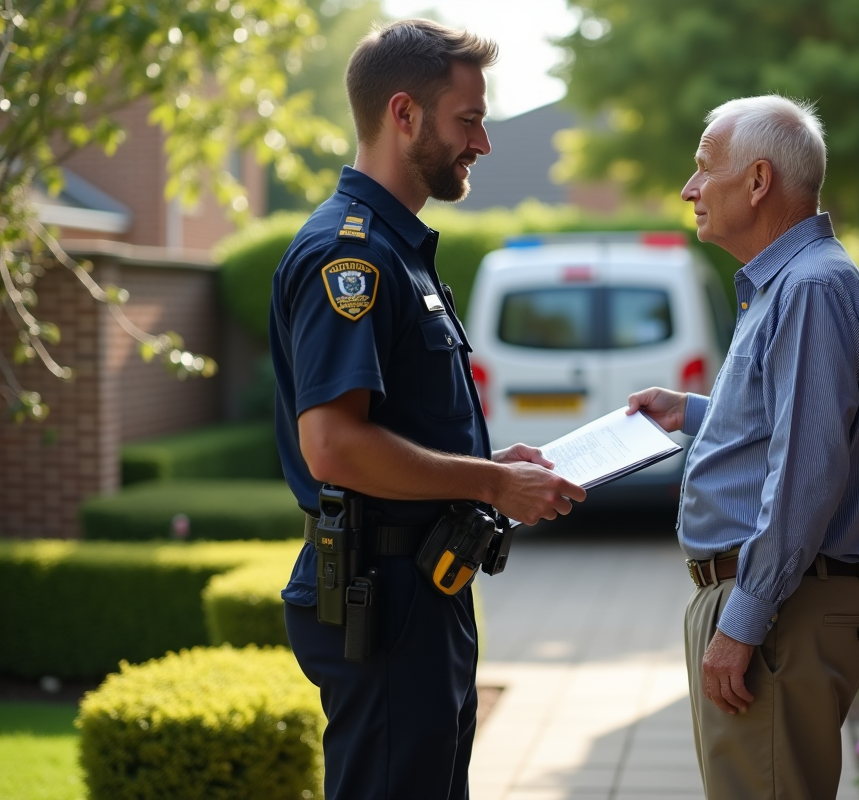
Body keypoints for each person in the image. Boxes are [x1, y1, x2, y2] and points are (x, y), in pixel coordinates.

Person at [269, 19, 586, 800]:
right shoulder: (352, 256)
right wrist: (490, 483)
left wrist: (489, 466)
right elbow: (333, 446)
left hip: (422, 583)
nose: (482, 143)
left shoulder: (396, 249)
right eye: (468, 120)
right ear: (404, 114)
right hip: (385, 593)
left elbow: (398, 425)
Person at [627, 95, 859, 800]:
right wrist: (693, 412)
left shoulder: (807, 289)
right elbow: (790, 429)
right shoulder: (793, 284)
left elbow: (807, 473)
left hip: (779, 615)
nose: (688, 189)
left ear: (757, 181)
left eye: (702, 168)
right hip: (781, 606)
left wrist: (742, 623)